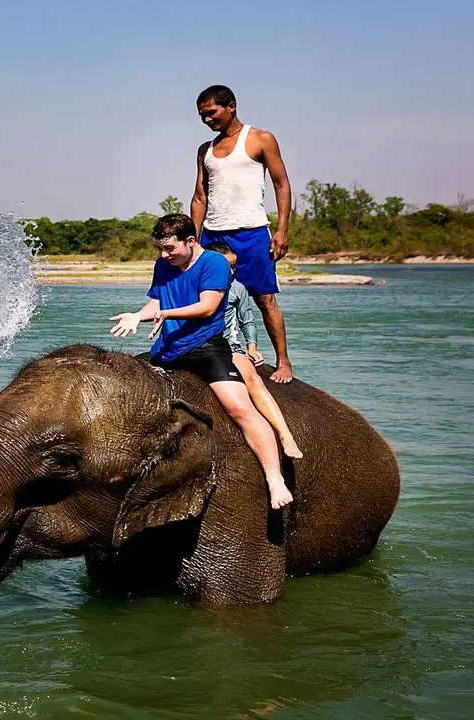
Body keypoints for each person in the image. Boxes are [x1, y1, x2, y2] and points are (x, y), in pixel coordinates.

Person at [109, 214, 292, 510]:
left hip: (206, 348)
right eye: (159, 249)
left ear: (191, 241)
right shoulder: (163, 266)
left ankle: (274, 478)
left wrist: (167, 314)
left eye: (170, 249)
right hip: (168, 350)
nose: (164, 255)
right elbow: (157, 302)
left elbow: (208, 307)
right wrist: (137, 315)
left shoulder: (214, 263)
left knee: (239, 408)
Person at [192, 84, 296, 383]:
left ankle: (283, 362)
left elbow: (281, 184)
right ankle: (207, 354)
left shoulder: (260, 139)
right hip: (213, 233)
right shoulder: (205, 150)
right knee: (208, 299)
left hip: (252, 233)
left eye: (211, 113)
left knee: (264, 300)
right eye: (202, 116)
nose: (207, 120)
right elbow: (200, 197)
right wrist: (194, 240)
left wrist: (281, 229)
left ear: (231, 106)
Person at [223, 270, 303, 459]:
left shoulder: (237, 288)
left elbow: (247, 320)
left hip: (229, 348)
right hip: (199, 345)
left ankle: (285, 435)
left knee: (253, 381)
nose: (232, 272)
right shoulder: (196, 284)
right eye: (227, 267)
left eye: (234, 267)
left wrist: (251, 347)